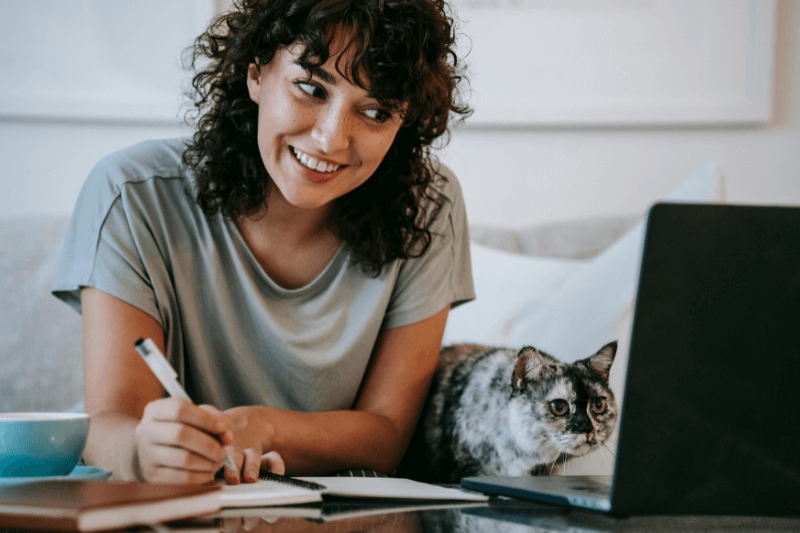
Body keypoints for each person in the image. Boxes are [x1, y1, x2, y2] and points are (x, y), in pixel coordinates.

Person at [52, 0, 473, 485]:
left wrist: (264, 427)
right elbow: (110, 424)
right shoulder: (130, 196)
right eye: (310, 87)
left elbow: (388, 433)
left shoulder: (428, 206)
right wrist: (143, 452)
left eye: (376, 111)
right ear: (256, 73)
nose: (331, 139)